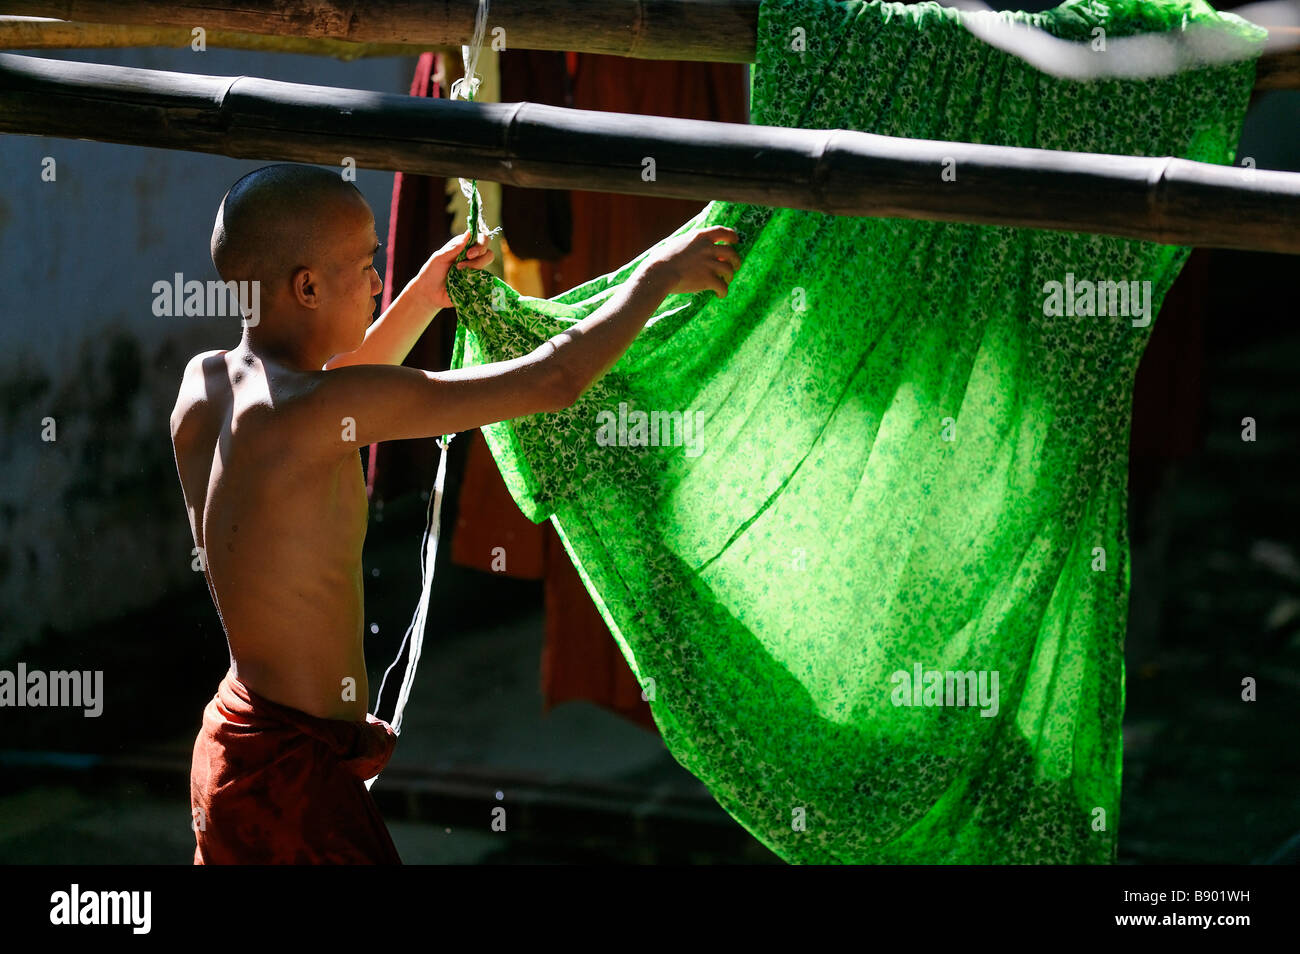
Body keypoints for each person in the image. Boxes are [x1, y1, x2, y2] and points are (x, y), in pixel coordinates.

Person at [171, 163, 740, 863]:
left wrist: (426, 294)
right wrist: (652, 278)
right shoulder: (323, 410)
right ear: (308, 287)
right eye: (368, 266)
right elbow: (553, 380)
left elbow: (336, 396)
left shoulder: (205, 389)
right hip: (292, 779)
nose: (379, 282)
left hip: (232, 743)